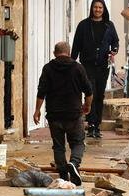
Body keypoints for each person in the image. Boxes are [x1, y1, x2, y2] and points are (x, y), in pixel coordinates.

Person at [33, 41, 93, 186]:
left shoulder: (48, 69)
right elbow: (89, 90)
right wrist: (87, 105)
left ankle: (63, 176)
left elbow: (42, 92)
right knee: (78, 142)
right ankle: (74, 163)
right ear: (69, 52)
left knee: (58, 146)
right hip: (73, 114)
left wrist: (37, 110)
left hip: (54, 115)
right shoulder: (78, 68)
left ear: (54, 53)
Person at [71, 0, 119, 139]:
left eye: (100, 8)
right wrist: (71, 62)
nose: (97, 10)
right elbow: (76, 45)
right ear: (91, 8)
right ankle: (90, 123)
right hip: (87, 64)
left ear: (104, 10)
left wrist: (114, 50)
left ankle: (97, 125)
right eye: (95, 7)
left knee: (100, 94)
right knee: (90, 92)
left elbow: (115, 41)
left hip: (103, 65)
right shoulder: (83, 25)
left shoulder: (109, 25)